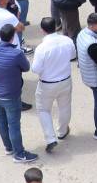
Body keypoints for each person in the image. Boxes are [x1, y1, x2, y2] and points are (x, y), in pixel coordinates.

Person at [0, 23, 38, 162]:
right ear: (12, 37)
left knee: (1, 120)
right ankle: (19, 154)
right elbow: (26, 67)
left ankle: (9, 147)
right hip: (10, 95)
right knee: (14, 125)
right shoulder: (16, 53)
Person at [31, 17, 77, 154]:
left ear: (42, 30)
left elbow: (35, 69)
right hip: (65, 80)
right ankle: (62, 131)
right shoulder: (67, 40)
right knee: (65, 106)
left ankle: (51, 138)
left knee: (44, 110)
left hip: (47, 84)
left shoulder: (41, 48)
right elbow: (73, 55)